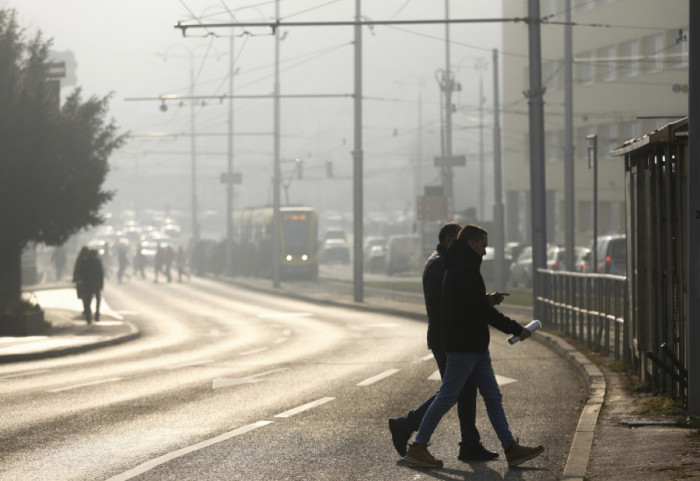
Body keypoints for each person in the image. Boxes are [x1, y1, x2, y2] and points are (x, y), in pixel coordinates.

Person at [404, 224, 544, 469]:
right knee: (448, 396)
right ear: (471, 244)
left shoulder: (462, 266)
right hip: (464, 345)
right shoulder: (463, 269)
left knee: (492, 395)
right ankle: (418, 446)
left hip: (474, 345)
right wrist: (516, 329)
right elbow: (479, 310)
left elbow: (473, 303)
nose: (485, 251)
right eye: (482, 245)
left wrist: (487, 302)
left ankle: (511, 448)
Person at [389, 222, 502, 462]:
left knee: (463, 389)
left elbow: (461, 298)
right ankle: (408, 426)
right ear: (450, 240)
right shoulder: (442, 265)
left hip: (450, 336)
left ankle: (470, 443)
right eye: (460, 240)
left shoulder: (443, 262)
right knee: (454, 390)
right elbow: (452, 301)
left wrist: (484, 301)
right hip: (447, 337)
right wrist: (482, 304)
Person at [77, 248, 104, 324]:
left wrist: (101, 284)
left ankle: (96, 314)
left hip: (95, 284)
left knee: (97, 299)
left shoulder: (97, 262)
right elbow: (80, 272)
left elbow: (101, 274)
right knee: (88, 301)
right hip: (88, 284)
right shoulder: (86, 262)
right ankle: (89, 317)